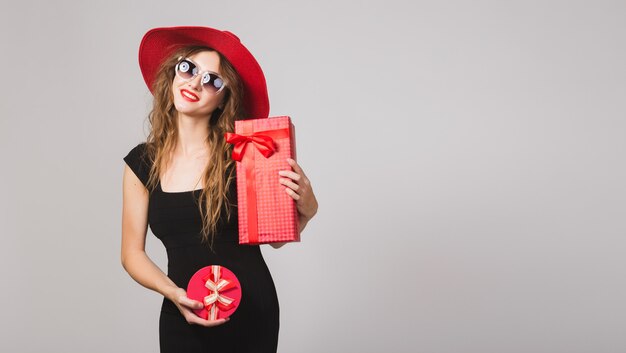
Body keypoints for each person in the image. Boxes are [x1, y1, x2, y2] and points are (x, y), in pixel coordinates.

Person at [121, 26, 318, 353]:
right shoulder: (142, 162)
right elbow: (131, 254)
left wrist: (308, 210)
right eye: (188, 68)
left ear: (224, 99)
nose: (195, 82)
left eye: (213, 80)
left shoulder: (246, 153)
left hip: (251, 313)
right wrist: (174, 294)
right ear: (173, 72)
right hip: (182, 311)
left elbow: (277, 238)